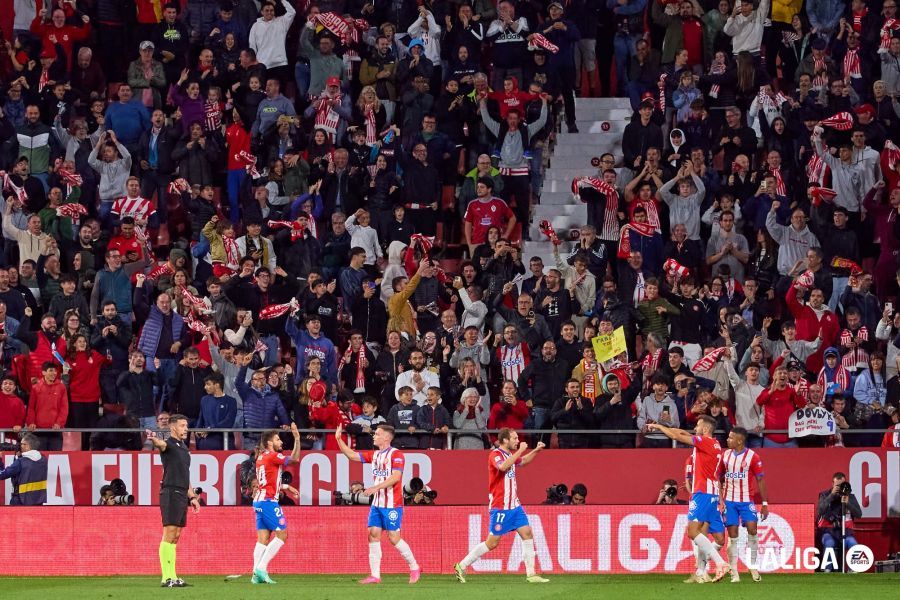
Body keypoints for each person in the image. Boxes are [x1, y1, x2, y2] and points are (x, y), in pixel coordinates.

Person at [454, 428, 549, 583]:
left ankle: (531, 574)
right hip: (501, 506)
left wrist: (536, 451)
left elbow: (523, 461)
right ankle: (461, 566)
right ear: (505, 440)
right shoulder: (495, 454)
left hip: (515, 506)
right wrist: (522, 450)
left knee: (527, 533)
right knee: (492, 543)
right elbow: (503, 467)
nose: (518, 441)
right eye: (515, 438)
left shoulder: (509, 454)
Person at [334, 423, 421, 585]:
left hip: (392, 504)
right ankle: (375, 575)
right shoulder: (375, 455)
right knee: (373, 534)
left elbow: (395, 478)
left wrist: (375, 488)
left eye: (378, 434)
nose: (374, 436)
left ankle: (414, 566)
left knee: (394, 538)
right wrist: (339, 439)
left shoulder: (397, 455)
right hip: (377, 504)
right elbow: (352, 456)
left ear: (387, 437)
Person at [649, 415, 730, 583]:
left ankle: (721, 563)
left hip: (703, 493)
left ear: (706, 429)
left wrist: (659, 428)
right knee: (703, 533)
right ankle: (701, 571)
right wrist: (659, 426)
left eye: (698, 425)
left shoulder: (706, 442)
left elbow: (676, 436)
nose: (695, 427)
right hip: (712, 493)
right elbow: (681, 432)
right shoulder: (713, 443)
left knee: (692, 532)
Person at [146, 414, 202, 588]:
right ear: (173, 428)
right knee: (169, 533)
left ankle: (174, 576)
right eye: (183, 426)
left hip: (181, 493)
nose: (186, 428)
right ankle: (166, 577)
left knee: (176, 536)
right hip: (170, 492)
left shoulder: (184, 448)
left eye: (186, 425)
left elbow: (186, 475)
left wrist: (192, 497)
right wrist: (154, 438)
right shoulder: (168, 444)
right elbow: (160, 444)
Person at [251, 424, 301, 584]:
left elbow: (268, 480)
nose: (281, 442)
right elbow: (294, 460)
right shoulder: (272, 456)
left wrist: (287, 486)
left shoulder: (261, 457)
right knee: (282, 535)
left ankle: (255, 575)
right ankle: (262, 568)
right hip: (268, 502)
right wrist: (297, 438)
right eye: (278, 439)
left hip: (258, 500)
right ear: (269, 443)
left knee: (263, 539)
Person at [721, 427, 769, 583]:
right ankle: (734, 570)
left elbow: (760, 480)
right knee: (733, 535)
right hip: (729, 500)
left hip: (746, 500)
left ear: (739, 440)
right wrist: (720, 498)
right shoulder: (725, 456)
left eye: (730, 438)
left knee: (752, 529)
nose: (727, 440)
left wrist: (764, 503)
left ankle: (753, 565)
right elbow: (718, 476)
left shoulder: (753, 457)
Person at [816, 472, 863, 572]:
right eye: (837, 485)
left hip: (845, 533)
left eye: (842, 485)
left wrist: (848, 504)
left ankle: (853, 570)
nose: (840, 487)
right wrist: (831, 496)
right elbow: (820, 510)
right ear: (832, 484)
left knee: (853, 544)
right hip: (828, 532)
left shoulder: (850, 497)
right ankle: (827, 570)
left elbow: (859, 514)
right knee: (829, 543)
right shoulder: (825, 495)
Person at [0, 434, 47, 506]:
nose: (19, 446)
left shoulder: (20, 462)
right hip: (38, 501)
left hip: (20, 501)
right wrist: (18, 457)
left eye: (21, 444)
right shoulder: (43, 459)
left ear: (27, 446)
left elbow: (1, 475)